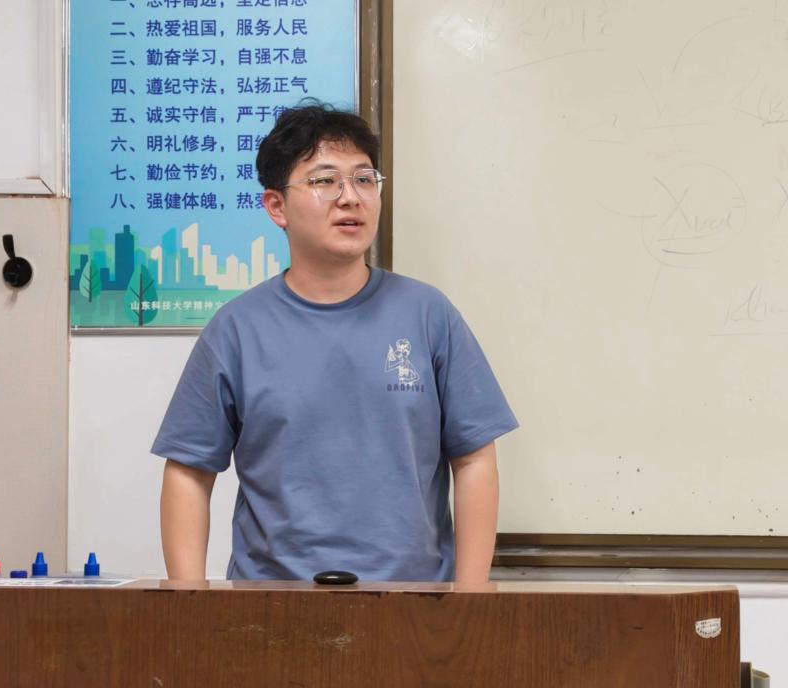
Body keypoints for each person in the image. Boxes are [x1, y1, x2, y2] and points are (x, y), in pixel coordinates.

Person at [152, 103, 518, 584]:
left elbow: (473, 458)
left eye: (364, 179)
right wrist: (190, 602)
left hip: (413, 602)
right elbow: (188, 472)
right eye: (325, 180)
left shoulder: (429, 314)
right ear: (276, 207)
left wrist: (469, 600)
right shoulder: (236, 329)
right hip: (270, 603)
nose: (351, 197)